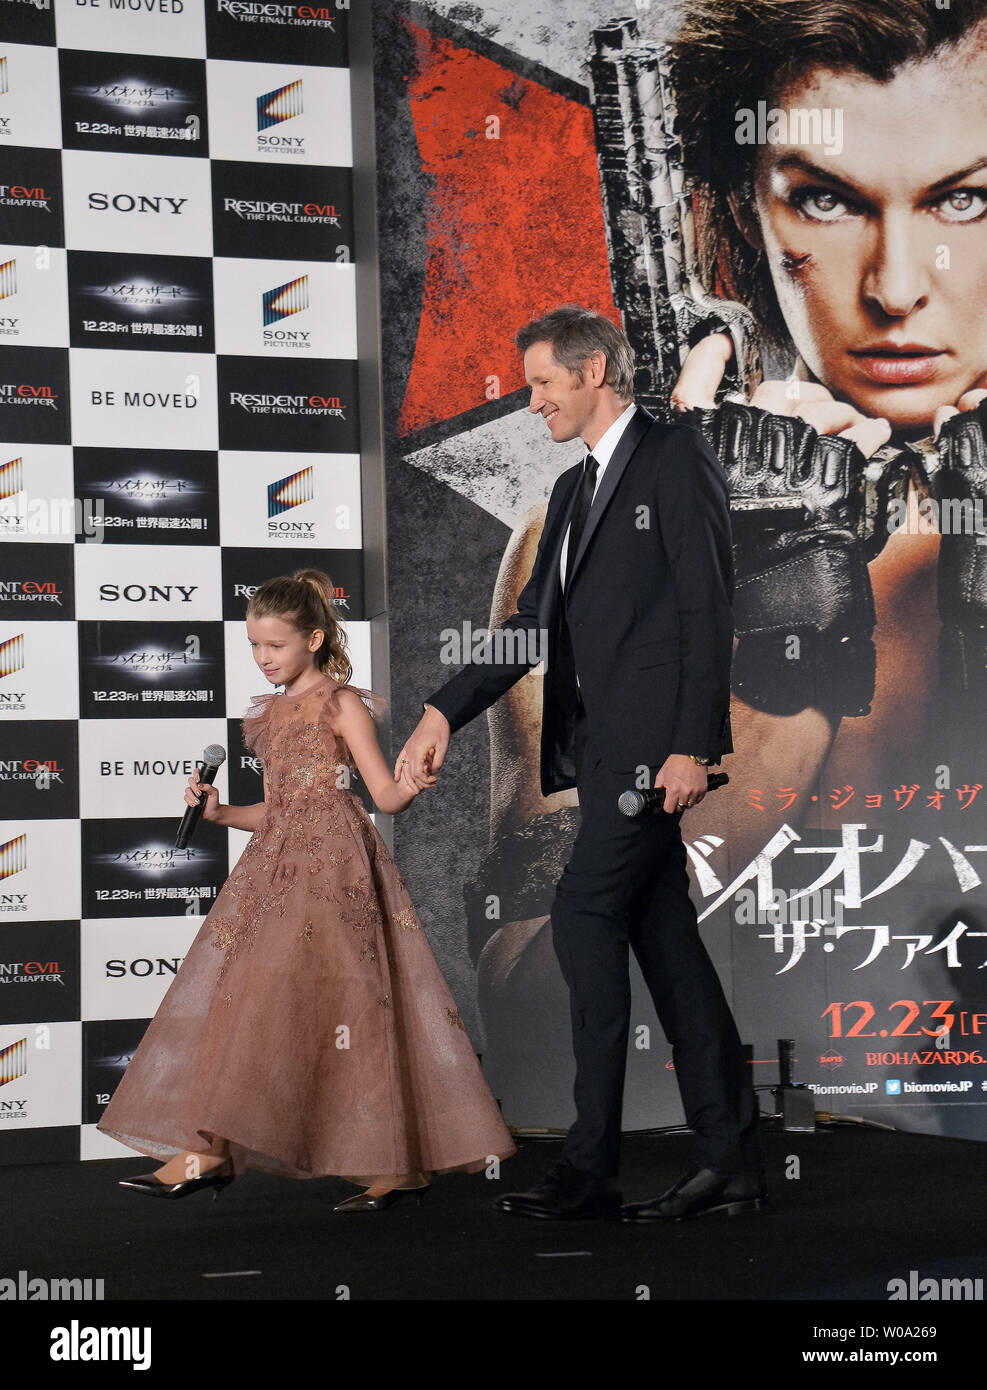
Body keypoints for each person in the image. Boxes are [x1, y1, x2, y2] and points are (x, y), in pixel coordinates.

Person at [397, 307, 763, 1221]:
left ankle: (590, 1166)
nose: (531, 404)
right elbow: (528, 630)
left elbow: (704, 610)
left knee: (581, 918)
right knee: (669, 951)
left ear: (594, 369)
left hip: (655, 759)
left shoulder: (673, 459)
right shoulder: (568, 494)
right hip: (599, 762)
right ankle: (731, 1157)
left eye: (542, 384)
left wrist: (690, 745)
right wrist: (445, 708)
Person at [97, 568, 515, 1211]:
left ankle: (383, 1165)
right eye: (255, 647)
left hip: (336, 869)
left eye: (276, 647)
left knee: (353, 1008)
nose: (264, 660)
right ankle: (212, 1149)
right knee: (250, 997)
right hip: (277, 866)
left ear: (314, 639)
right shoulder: (268, 714)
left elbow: (382, 797)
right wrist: (223, 814)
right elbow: (279, 806)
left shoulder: (341, 704)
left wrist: (416, 778)